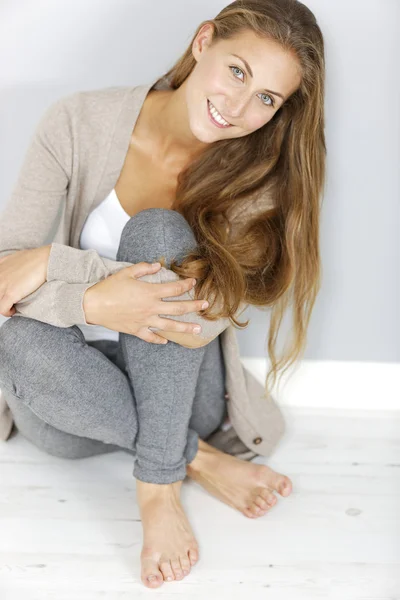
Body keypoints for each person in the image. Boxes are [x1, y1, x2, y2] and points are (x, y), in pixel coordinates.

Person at [0, 0, 326, 589]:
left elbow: (197, 322)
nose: (238, 107)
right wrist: (92, 303)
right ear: (204, 42)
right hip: (69, 400)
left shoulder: (261, 185)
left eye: (267, 99)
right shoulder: (77, 122)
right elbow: (3, 276)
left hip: (181, 384)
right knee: (15, 344)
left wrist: (53, 264)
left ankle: (157, 485)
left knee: (158, 231)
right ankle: (194, 457)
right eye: (237, 71)